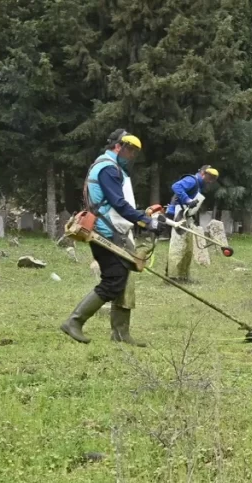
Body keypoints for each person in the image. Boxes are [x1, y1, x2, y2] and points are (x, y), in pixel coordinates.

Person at [60, 129, 167, 345]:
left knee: (124, 279)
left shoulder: (112, 167)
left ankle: (120, 333)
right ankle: (74, 321)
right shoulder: (108, 168)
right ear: (117, 146)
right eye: (128, 149)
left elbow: (118, 205)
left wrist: (143, 216)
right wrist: (148, 222)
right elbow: (118, 203)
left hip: (114, 230)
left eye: (134, 152)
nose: (131, 155)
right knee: (114, 280)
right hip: (104, 232)